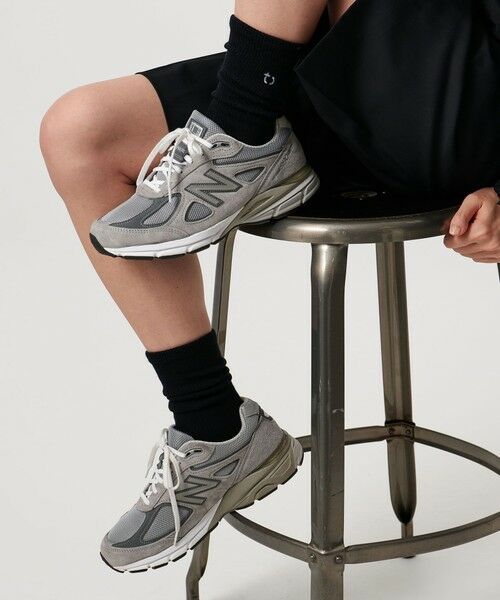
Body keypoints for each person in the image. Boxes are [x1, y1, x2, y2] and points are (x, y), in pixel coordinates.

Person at [40, 0, 499, 574]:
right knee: (80, 132)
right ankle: (215, 428)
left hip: (457, 105)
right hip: (346, 75)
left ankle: (242, 134)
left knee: (243, 112)